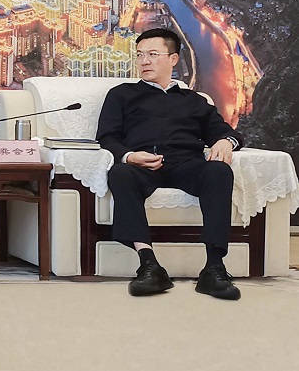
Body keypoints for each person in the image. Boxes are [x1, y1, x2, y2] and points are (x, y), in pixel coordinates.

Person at [96, 28, 243, 300]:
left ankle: (214, 268)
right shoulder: (121, 94)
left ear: (173, 59)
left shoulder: (195, 101)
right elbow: (107, 137)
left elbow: (226, 132)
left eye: (153, 54)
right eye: (139, 55)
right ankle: (148, 265)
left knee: (219, 171)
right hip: (141, 166)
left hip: (187, 164)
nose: (144, 61)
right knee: (120, 172)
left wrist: (225, 142)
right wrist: (130, 156)